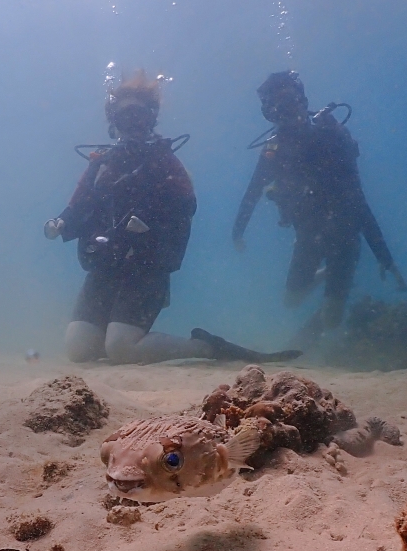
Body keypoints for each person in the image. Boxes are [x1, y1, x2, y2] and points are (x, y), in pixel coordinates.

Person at [46, 70, 299, 365]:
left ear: (151, 119)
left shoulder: (164, 162)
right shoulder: (101, 164)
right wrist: (61, 222)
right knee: (79, 349)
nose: (132, 125)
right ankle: (120, 336)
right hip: (105, 266)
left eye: (139, 117)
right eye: (124, 117)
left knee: (121, 348)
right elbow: (78, 204)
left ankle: (205, 347)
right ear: (113, 122)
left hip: (146, 267)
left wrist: (150, 224)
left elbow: (185, 206)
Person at [232, 71, 407, 347]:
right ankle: (326, 278)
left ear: (302, 100)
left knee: (332, 320)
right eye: (276, 106)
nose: (285, 111)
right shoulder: (274, 148)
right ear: (269, 113)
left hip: (345, 235)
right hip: (308, 235)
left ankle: (325, 314)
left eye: (288, 101)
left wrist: (383, 255)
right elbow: (253, 191)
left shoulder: (331, 136)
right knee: (291, 301)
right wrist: (237, 232)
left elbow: (358, 200)